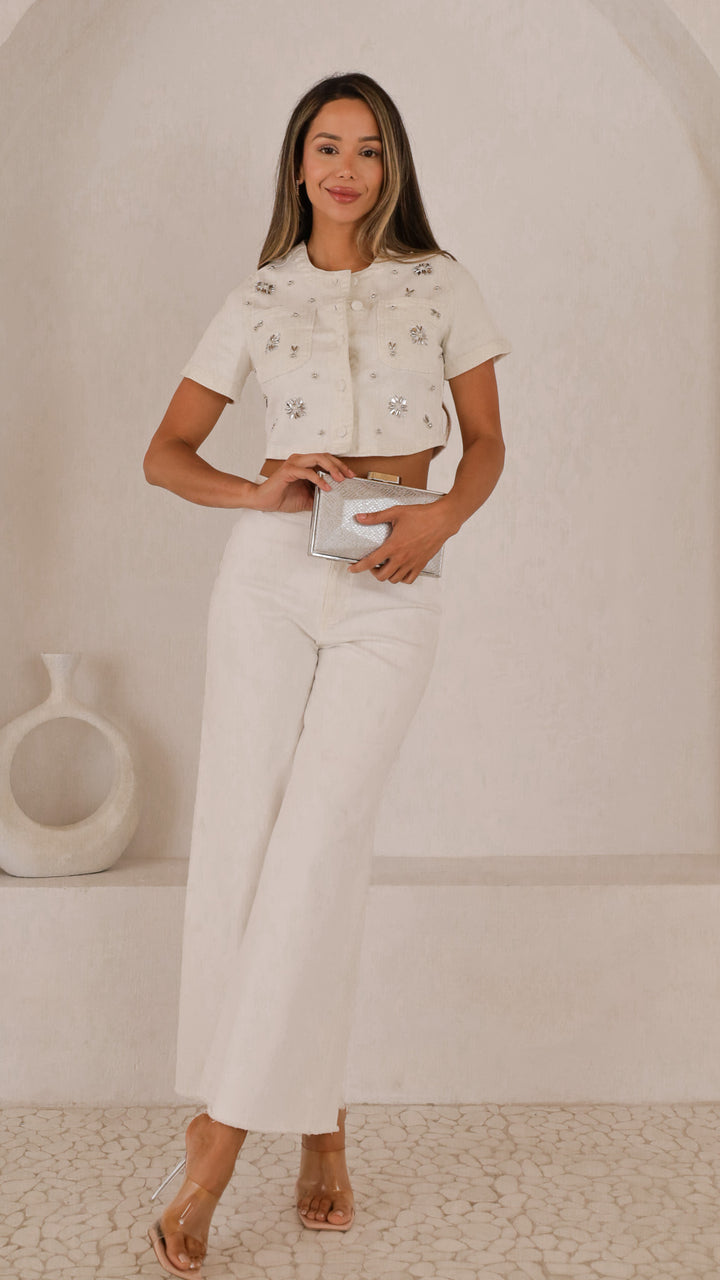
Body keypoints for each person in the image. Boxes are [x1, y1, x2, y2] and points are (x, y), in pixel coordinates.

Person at [143, 70, 511, 1276]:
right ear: (298, 165)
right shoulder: (258, 295)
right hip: (268, 575)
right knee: (246, 842)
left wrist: (440, 516)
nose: (346, 168)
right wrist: (255, 490)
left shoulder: (441, 280)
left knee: (319, 842)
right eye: (326, 146)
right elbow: (165, 453)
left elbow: (487, 440)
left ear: (391, 164)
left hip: (396, 571)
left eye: (367, 148)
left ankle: (215, 1144)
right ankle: (322, 1123)